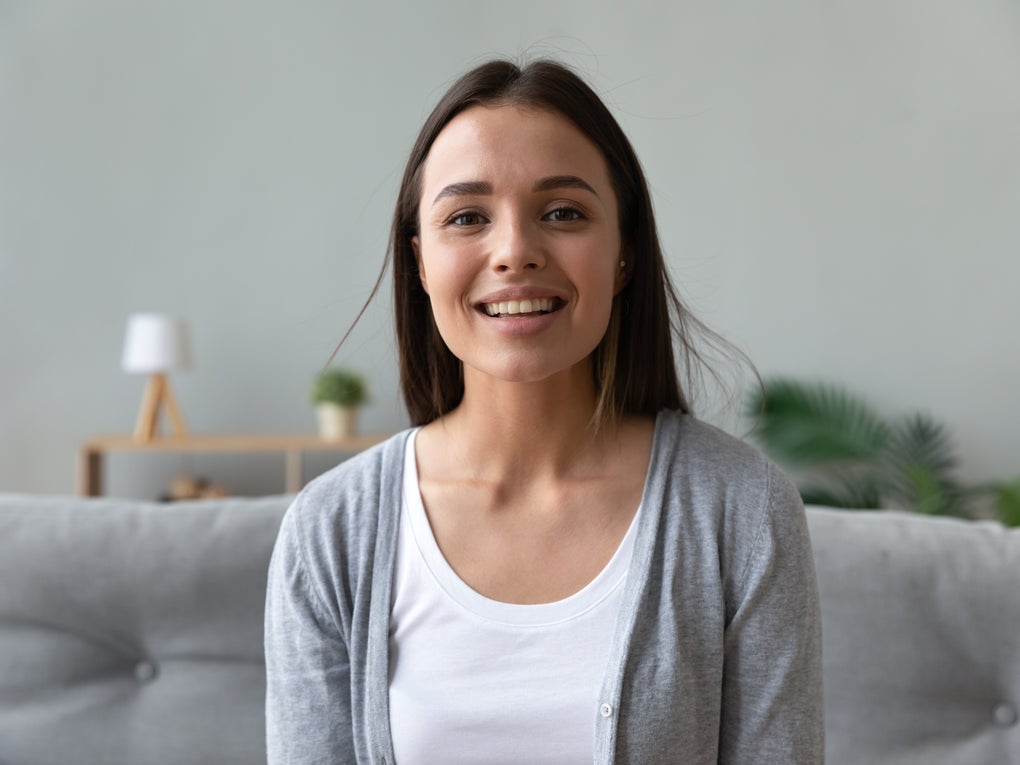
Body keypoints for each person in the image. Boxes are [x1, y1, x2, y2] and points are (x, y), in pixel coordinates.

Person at [265, 58, 823, 764]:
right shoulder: (329, 533)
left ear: (623, 253)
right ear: (420, 262)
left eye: (563, 213)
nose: (515, 252)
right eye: (467, 217)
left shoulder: (743, 511)